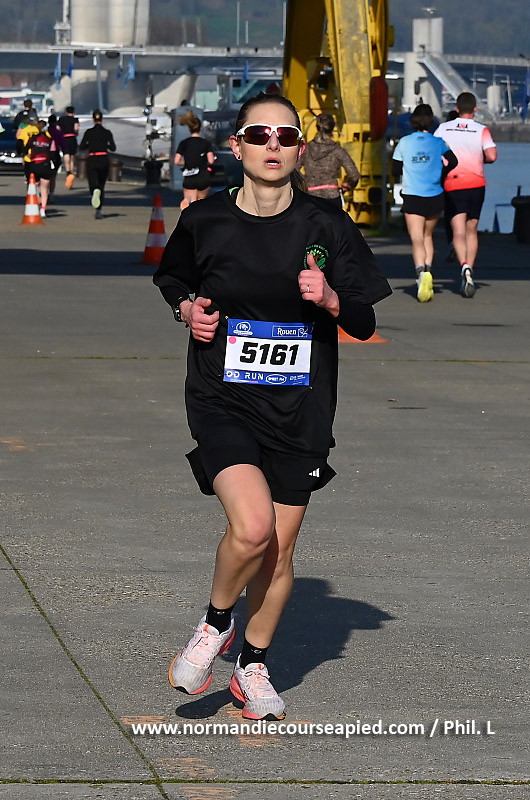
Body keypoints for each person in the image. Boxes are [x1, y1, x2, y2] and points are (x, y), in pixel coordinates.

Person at [153, 92, 391, 721]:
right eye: (260, 135)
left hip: (300, 407)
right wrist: (187, 310)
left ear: (300, 150)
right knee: (253, 527)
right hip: (222, 396)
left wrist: (332, 300)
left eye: (286, 137)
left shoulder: (327, 225)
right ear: (237, 146)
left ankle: (251, 667)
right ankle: (215, 624)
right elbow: (173, 278)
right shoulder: (205, 219)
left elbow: (365, 320)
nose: (273, 146)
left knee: (280, 552)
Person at [392, 104, 457, 302]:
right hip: (435, 194)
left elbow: (395, 169)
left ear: (413, 121)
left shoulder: (404, 142)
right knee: (428, 235)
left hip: (412, 194)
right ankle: (428, 269)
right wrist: (441, 174)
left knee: (416, 238)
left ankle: (421, 273)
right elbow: (454, 161)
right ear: (431, 121)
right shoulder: (439, 142)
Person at [434, 92, 497, 297]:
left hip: (453, 183)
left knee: (458, 231)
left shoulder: (443, 128)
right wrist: (479, 159)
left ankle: (464, 266)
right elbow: (492, 156)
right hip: (477, 184)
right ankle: (470, 269)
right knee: (472, 230)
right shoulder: (481, 130)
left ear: (457, 109)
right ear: (475, 109)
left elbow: (435, 152)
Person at [299, 113, 360, 208]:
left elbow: (293, 169)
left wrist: (306, 183)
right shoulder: (337, 150)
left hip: (310, 196)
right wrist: (349, 186)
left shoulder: (306, 149)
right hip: (332, 197)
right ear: (333, 128)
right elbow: (354, 175)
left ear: (317, 127)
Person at [79, 109, 116, 220]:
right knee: (101, 185)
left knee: (93, 184)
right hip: (103, 159)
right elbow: (113, 148)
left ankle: (94, 190)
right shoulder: (107, 132)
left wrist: (89, 144)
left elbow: (82, 147)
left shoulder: (89, 132)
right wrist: (106, 145)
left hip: (92, 159)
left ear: (93, 119)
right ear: (102, 119)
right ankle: (98, 211)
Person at [174, 110, 215, 210]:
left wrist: (187, 162)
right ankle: (197, 216)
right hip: (203, 176)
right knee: (200, 202)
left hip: (189, 175)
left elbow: (176, 161)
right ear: (200, 128)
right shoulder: (206, 143)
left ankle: (186, 205)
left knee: (189, 198)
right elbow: (211, 161)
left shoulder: (184, 143)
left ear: (189, 129)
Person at [24, 119, 56, 218]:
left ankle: (38, 201)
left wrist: (28, 156)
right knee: (45, 188)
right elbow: (53, 153)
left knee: (36, 185)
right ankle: (43, 209)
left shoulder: (32, 139)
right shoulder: (49, 140)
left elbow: (26, 150)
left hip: (35, 164)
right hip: (45, 164)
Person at [57, 106, 80, 189]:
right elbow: (76, 128)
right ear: (73, 112)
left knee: (66, 154)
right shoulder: (75, 119)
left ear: (66, 112)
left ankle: (67, 171)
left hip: (64, 138)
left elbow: (58, 128)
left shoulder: (61, 119)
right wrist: (76, 133)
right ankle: (71, 171)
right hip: (72, 137)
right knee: (72, 156)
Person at [47, 114, 64, 201]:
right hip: (55, 154)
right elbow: (63, 144)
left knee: (45, 176)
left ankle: (43, 193)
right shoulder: (58, 132)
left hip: (46, 154)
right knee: (53, 176)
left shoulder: (46, 132)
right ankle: (51, 194)